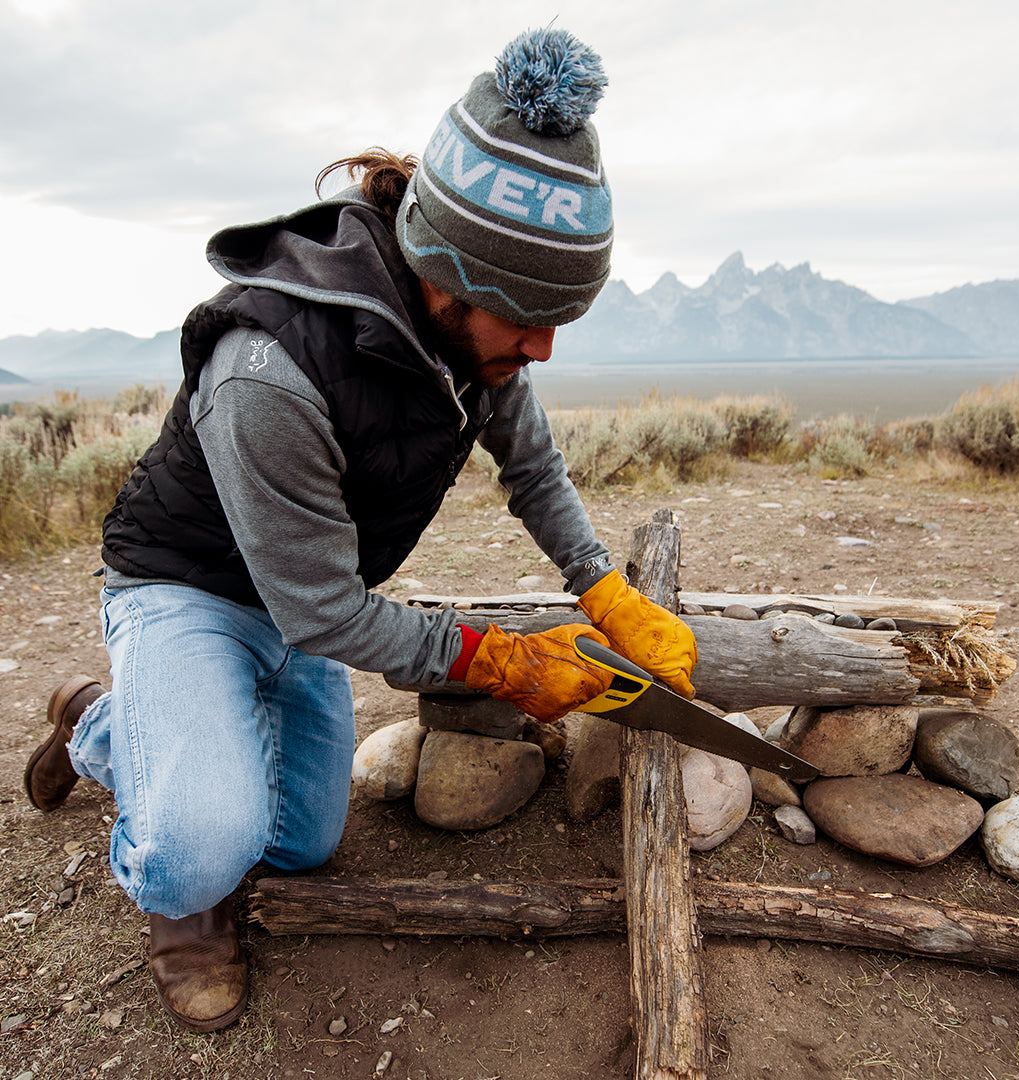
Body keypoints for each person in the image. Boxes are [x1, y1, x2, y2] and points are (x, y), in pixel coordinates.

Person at [23, 27, 697, 1033]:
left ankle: (123, 726)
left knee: (301, 839)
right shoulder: (272, 370)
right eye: (527, 317)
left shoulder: (476, 349)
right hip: (189, 588)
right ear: (447, 273)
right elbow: (329, 610)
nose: (545, 347)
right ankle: (168, 873)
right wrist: (500, 661)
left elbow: (534, 468)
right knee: (211, 842)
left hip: (300, 605)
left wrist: (602, 585)